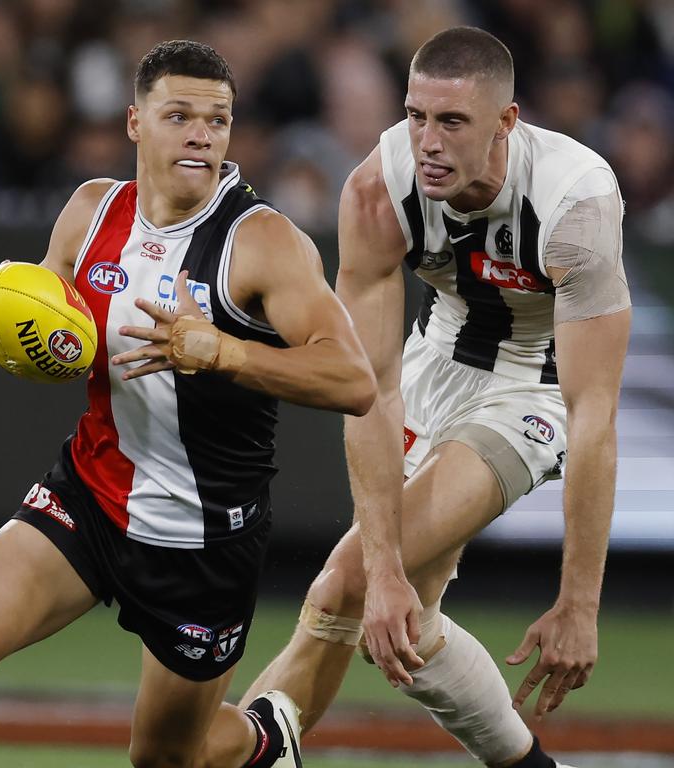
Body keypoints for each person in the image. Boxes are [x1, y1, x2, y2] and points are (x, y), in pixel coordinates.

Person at [0, 40, 376, 768]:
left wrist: (223, 351)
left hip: (201, 541)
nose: (201, 134)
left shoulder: (261, 243)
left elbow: (353, 379)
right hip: (89, 498)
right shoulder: (90, 212)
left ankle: (262, 740)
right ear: (135, 123)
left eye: (217, 120)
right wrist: (8, 323)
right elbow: (56, 328)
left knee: (164, 758)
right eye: (180, 115)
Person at [207, 26, 630, 768]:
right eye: (416, 116)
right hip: (427, 368)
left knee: (345, 583)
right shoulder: (377, 188)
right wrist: (389, 574)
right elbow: (366, 391)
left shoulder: (575, 205)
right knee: (398, 613)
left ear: (507, 122)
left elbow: (594, 417)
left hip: (536, 389)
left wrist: (579, 604)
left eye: (453, 122)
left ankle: (238, 754)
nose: (427, 142)